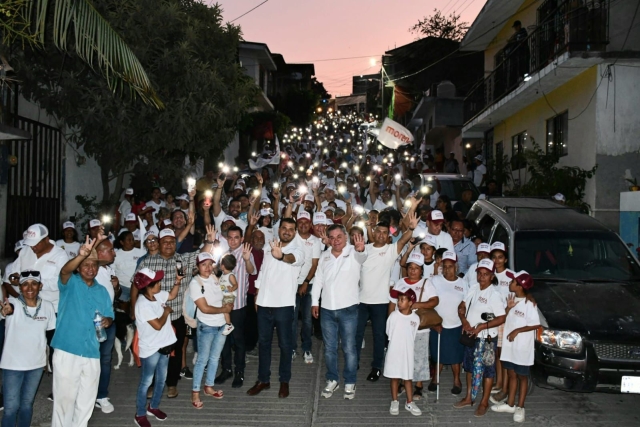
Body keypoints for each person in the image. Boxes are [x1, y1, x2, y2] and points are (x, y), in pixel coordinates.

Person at [131, 226, 217, 399]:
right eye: (165, 242)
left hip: (176, 315)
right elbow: (135, 284)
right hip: (154, 317)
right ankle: (153, 384)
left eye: (172, 241)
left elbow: (201, 254)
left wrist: (209, 240)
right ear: (159, 243)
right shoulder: (147, 262)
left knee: (176, 352)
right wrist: (133, 308)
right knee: (154, 352)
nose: (169, 244)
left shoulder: (183, 260)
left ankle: (171, 384)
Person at [51, 235, 114, 427]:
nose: (90, 268)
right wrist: (81, 255)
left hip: (91, 351)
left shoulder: (102, 290)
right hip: (67, 349)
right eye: (86, 264)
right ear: (78, 267)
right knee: (64, 401)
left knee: (86, 401)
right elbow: (64, 270)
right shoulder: (70, 283)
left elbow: (110, 316)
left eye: (94, 265)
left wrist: (107, 321)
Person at [356, 203, 419, 383]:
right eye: (378, 232)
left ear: (388, 235)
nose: (381, 235)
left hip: (381, 302)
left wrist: (411, 229)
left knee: (379, 336)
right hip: (361, 300)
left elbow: (402, 240)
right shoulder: (364, 249)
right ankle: (355, 363)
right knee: (357, 334)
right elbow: (357, 261)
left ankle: (376, 367)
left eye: (385, 233)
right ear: (374, 233)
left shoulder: (391, 251)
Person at [247, 218, 304, 399]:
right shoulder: (267, 247)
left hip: (284, 305)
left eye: (290, 229)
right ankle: (263, 379)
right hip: (264, 303)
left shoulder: (298, 250)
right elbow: (263, 272)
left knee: (285, 345)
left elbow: (292, 259)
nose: (287, 231)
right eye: (284, 228)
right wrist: (257, 293)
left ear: (294, 232)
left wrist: (280, 256)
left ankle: (284, 380)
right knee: (263, 344)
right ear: (279, 230)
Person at [312, 225, 367, 400]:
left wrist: (360, 249)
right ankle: (332, 379)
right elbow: (318, 280)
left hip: (349, 308)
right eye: (332, 237)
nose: (336, 240)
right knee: (329, 348)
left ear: (346, 237)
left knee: (349, 348)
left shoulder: (353, 251)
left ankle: (350, 382)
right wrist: (315, 302)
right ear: (328, 239)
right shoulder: (324, 256)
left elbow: (362, 257)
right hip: (327, 309)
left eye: (339, 237)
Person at [0, 271, 56, 427]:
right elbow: (7, 309)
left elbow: (51, 335)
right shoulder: (12, 303)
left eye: (34, 283)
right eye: (25, 284)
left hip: (36, 365)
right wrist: (6, 310)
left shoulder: (47, 306)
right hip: (12, 365)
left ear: (40, 286)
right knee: (11, 408)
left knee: (26, 405)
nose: (29, 288)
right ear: (20, 287)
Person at [454, 258, 506, 417]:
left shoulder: (494, 294)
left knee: (488, 371)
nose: (482, 277)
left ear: (492, 276)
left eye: (486, 274)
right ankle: (469, 397)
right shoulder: (473, 288)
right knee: (469, 366)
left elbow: (501, 317)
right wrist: (464, 320)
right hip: (471, 336)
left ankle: (484, 402)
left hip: (487, 339)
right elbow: (462, 305)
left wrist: (482, 326)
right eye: (480, 274)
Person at [491, 270, 540, 423]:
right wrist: (508, 308)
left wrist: (517, 330)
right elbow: (504, 317)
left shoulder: (529, 304)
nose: (510, 283)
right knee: (511, 374)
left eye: (513, 282)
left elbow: (536, 324)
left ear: (520, 286)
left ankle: (520, 406)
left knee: (522, 377)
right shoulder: (512, 299)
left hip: (521, 348)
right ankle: (510, 403)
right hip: (509, 347)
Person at [388, 252, 438, 401]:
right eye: (410, 267)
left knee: (419, 356)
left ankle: (418, 385)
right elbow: (392, 303)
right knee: (403, 355)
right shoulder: (400, 282)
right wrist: (390, 320)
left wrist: (417, 305)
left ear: (421, 270)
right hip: (400, 327)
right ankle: (403, 382)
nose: (413, 271)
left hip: (419, 327)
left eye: (416, 268)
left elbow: (435, 301)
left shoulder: (426, 283)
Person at [133, 268, 179, 427]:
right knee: (146, 382)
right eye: (157, 282)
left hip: (164, 346)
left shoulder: (156, 295)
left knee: (161, 379)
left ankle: (154, 406)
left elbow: (172, 295)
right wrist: (166, 311)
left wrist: (178, 281)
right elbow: (158, 325)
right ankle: (140, 414)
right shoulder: (143, 304)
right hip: (151, 349)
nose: (160, 283)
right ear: (148, 285)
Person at [190, 252, 233, 409]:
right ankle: (195, 392)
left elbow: (223, 295)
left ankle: (208, 386)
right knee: (203, 359)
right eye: (203, 264)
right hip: (207, 326)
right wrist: (224, 308)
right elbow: (205, 308)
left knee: (215, 358)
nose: (208, 268)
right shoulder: (195, 283)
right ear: (197, 267)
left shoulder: (216, 278)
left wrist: (228, 305)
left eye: (210, 264)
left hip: (221, 324)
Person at [214, 227, 256, 389]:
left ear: (242, 238)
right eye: (230, 237)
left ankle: (240, 371)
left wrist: (246, 260)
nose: (233, 240)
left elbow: (252, 271)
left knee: (238, 340)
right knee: (223, 339)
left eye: (236, 237)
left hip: (238, 305)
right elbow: (217, 272)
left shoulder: (246, 252)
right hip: (222, 306)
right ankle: (226, 369)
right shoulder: (224, 254)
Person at [428, 251, 468, 395]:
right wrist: (433, 323)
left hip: (455, 325)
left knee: (455, 357)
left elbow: (465, 303)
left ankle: (457, 380)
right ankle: (435, 378)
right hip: (438, 325)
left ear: (456, 267)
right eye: (444, 266)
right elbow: (429, 302)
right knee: (438, 355)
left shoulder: (463, 283)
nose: (447, 269)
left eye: (450, 266)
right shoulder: (435, 280)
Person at [290, 209, 321, 364]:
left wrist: (306, 282)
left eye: (306, 222)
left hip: (309, 284)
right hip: (291, 284)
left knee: (308, 320)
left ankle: (307, 348)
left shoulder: (315, 241)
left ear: (310, 224)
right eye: (300, 222)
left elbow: (315, 264)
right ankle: (292, 348)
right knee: (292, 319)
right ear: (297, 223)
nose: (303, 225)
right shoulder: (291, 237)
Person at [384, 289, 421, 417]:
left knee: (407, 378)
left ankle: (409, 402)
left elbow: (413, 334)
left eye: (402, 300)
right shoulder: (394, 316)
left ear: (411, 302)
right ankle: (395, 401)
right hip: (395, 350)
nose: (399, 302)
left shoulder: (415, 318)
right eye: (398, 300)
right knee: (395, 377)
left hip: (407, 352)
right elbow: (389, 332)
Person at [489, 241, 514, 399]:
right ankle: (498, 383)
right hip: (492, 319)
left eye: (500, 257)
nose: (497, 260)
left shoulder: (511, 276)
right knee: (496, 353)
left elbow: (522, 293)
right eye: (494, 257)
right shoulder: (489, 275)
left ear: (505, 259)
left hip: (506, 320)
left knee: (504, 354)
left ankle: (505, 387)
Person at [244, 230, 265, 356]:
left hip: (260, 293)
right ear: (251, 240)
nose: (258, 240)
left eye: (261, 238)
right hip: (249, 292)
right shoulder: (248, 251)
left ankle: (253, 345)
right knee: (249, 322)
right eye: (255, 238)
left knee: (257, 321)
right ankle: (249, 347)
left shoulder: (264, 253)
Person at [113, 231, 147, 301]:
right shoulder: (116, 255)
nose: (132, 242)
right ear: (122, 242)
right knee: (122, 310)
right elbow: (112, 272)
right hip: (123, 289)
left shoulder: (141, 252)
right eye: (129, 240)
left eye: (132, 239)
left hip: (138, 288)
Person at [218, 254, 238, 335]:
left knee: (225, 309)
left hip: (229, 296)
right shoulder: (223, 275)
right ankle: (226, 323)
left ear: (223, 266)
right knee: (223, 309)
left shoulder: (230, 275)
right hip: (224, 295)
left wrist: (232, 288)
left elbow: (236, 284)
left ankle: (229, 325)